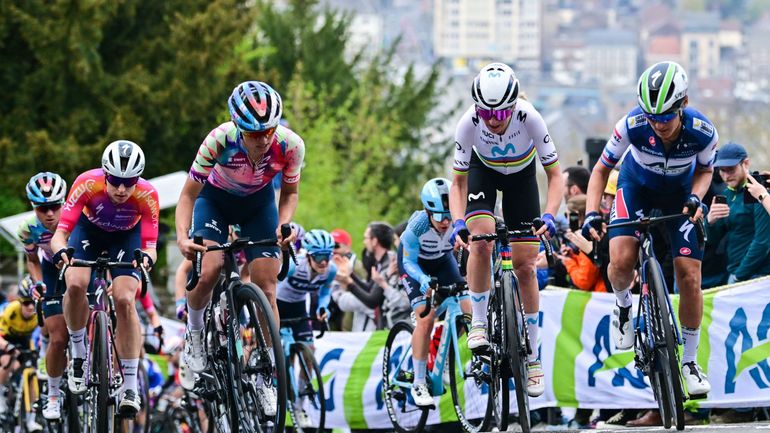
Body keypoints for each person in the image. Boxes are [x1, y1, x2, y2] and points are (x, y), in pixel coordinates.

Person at [582, 61, 716, 400]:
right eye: (652, 117)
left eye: (665, 117)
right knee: (622, 260)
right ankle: (624, 305)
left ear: (683, 104)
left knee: (689, 276)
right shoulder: (631, 125)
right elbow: (599, 171)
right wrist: (589, 214)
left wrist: (696, 198)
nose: (658, 125)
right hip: (635, 187)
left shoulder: (703, 131)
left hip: (679, 195)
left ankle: (688, 362)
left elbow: (705, 171)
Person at [175, 81, 304, 416]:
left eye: (269, 131)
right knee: (212, 268)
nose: (263, 140)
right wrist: (180, 236)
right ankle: (195, 332)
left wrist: (283, 224)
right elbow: (187, 195)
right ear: (237, 126)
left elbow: (288, 195)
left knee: (267, 286)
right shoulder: (219, 139)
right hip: (213, 202)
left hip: (257, 205)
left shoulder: (291, 145)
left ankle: (265, 371)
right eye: (253, 133)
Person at [449, 62, 564, 397]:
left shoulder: (530, 118)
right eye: (487, 114)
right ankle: (481, 323)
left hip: (521, 182)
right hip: (482, 174)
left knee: (526, 267)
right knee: (481, 241)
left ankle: (533, 356)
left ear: (514, 107)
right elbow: (457, 184)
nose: (495, 121)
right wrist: (459, 222)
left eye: (501, 114)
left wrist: (551, 215)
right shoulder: (468, 122)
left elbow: (555, 176)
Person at [51, 140, 159, 413]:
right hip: (88, 232)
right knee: (76, 283)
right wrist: (61, 251)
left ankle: (131, 386)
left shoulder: (147, 194)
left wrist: (146, 259)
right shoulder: (87, 184)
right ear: (105, 174)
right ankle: (78, 353)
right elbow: (60, 235)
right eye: (115, 181)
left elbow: (149, 247)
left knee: (124, 299)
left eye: (129, 181)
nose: (122, 189)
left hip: (126, 237)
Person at [399, 178, 470, 407]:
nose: (446, 221)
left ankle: (446, 359)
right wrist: (421, 280)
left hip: (442, 261)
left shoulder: (459, 219)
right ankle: (419, 382)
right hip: (415, 266)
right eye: (440, 216)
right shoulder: (418, 225)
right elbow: (407, 262)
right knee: (426, 318)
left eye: (449, 215)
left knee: (467, 308)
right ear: (429, 212)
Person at [16, 171, 68, 416]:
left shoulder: (79, 218)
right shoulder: (28, 229)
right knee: (58, 337)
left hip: (79, 264)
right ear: (33, 207)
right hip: (50, 270)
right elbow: (32, 259)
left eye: (55, 206)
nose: (49, 214)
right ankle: (54, 395)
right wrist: (38, 284)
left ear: (64, 202)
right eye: (42, 208)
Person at [276, 229, 336, 427]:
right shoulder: (294, 265)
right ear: (308, 255)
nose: (324, 262)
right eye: (319, 256)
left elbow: (326, 291)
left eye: (327, 256)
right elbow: (270, 283)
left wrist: (322, 307)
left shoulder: (331, 270)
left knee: (310, 352)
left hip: (300, 307)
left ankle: (300, 405)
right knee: (287, 357)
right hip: (279, 304)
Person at [706, 142, 770, 284]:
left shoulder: (760, 191)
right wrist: (710, 221)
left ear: (745, 164)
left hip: (760, 276)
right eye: (722, 170)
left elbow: (762, 242)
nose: (726, 176)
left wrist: (739, 276)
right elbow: (712, 240)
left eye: (731, 169)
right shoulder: (726, 195)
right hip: (734, 273)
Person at [0, 278, 41, 431]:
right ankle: (1, 400)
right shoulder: (11, 310)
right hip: (6, 338)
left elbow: (40, 336)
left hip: (25, 340)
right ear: (20, 302)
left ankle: (31, 418)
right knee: (8, 361)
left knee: (32, 373)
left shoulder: (38, 312)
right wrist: (7, 347)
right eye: (26, 303)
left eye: (33, 303)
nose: (30, 307)